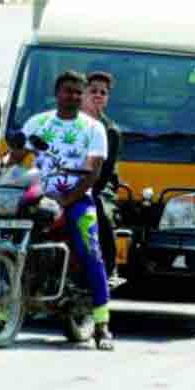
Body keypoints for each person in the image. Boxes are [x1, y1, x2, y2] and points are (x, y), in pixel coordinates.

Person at [0, 71, 113, 349]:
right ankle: (3, 307)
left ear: (82, 96)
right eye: (66, 91)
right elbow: (17, 156)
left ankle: (103, 324)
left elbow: (93, 172)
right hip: (36, 195)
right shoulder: (38, 122)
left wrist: (67, 201)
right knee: (7, 235)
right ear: (56, 93)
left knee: (90, 249)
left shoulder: (94, 129)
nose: (71, 96)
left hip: (77, 200)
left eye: (76, 92)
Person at [83, 70, 123, 280]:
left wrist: (86, 191)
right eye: (93, 91)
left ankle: (108, 268)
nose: (98, 95)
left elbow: (104, 173)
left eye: (103, 92)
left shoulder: (111, 131)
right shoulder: (68, 123)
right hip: (65, 181)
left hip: (100, 185)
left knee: (97, 205)